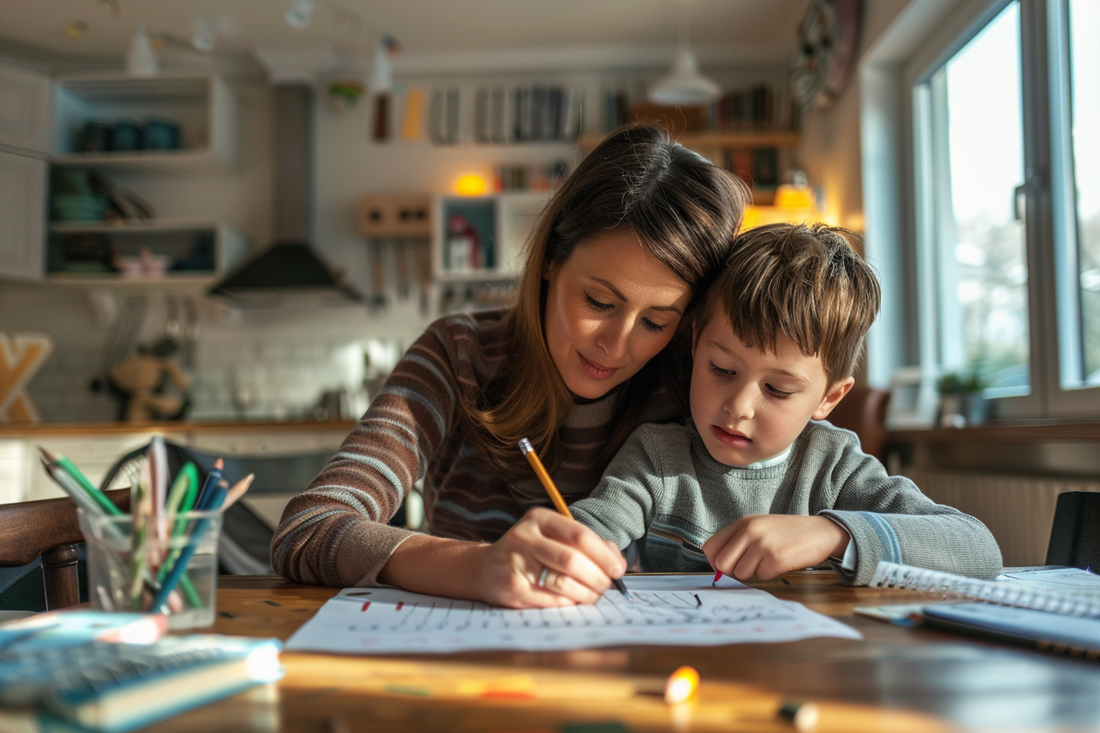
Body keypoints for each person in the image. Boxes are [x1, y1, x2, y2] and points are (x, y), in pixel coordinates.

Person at [272, 123, 751, 607]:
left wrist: (807, 532)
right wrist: (476, 567)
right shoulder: (457, 354)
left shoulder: (691, 380)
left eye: (655, 322)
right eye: (599, 302)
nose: (615, 346)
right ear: (550, 260)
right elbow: (308, 529)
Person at [570, 223, 1002, 585]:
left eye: (777, 390)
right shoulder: (656, 458)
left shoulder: (833, 467)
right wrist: (568, 551)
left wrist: (831, 534)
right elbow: (587, 533)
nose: (739, 406)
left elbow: (977, 547)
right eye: (722, 369)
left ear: (829, 398)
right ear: (695, 344)